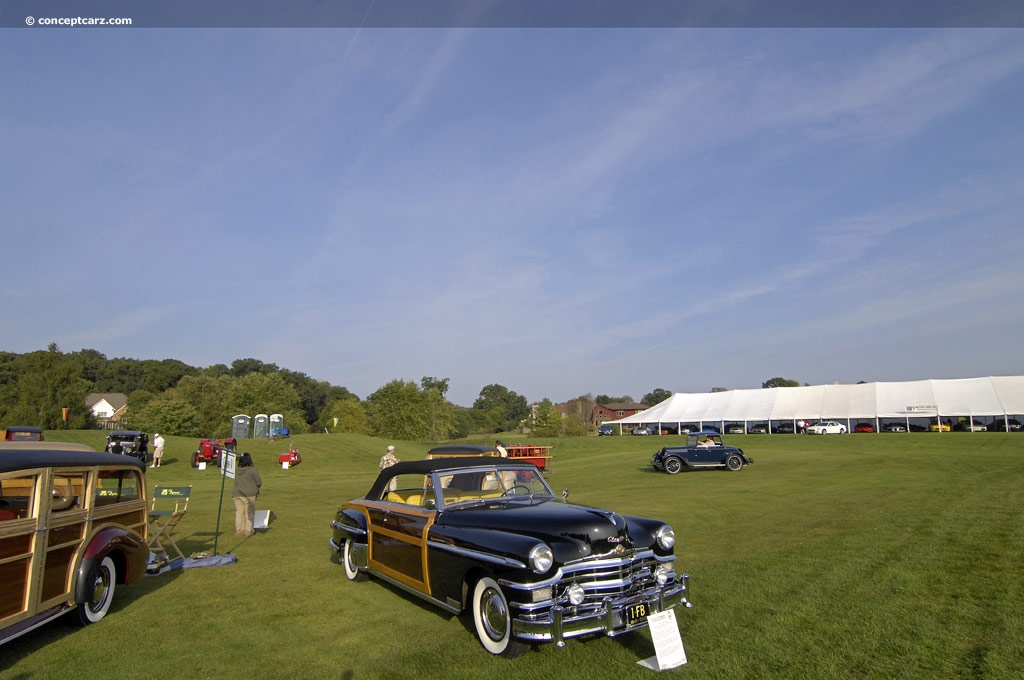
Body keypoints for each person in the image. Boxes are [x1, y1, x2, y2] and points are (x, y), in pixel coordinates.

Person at [232, 453, 262, 537]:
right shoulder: (253, 470)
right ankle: (248, 530)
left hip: (236, 494)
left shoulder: (237, 471)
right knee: (249, 512)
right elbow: (258, 482)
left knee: (239, 513)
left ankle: (239, 530)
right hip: (249, 494)